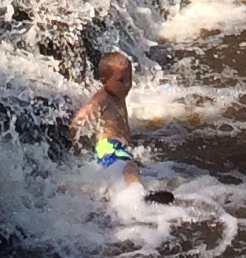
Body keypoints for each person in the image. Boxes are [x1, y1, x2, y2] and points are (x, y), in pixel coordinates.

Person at [69, 49, 174, 198]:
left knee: (131, 167)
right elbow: (80, 118)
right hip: (109, 146)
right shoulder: (102, 98)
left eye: (129, 79)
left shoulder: (117, 93)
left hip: (117, 147)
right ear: (104, 81)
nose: (127, 85)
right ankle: (139, 196)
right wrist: (77, 144)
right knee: (129, 166)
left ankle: (127, 194)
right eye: (121, 80)